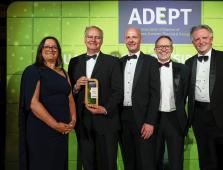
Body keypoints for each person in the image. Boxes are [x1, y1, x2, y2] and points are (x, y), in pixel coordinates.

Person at [185, 24, 223, 170]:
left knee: (221, 160)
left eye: (204, 38)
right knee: (205, 159)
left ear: (211, 39)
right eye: (197, 39)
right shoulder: (189, 62)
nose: (201, 42)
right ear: (193, 42)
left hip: (221, 117)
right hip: (199, 117)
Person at [68, 26, 123, 170]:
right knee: (88, 163)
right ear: (84, 39)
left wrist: (105, 109)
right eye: (90, 37)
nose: (93, 40)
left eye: (97, 37)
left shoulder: (113, 62)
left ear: (102, 40)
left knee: (108, 164)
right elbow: (69, 94)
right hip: (83, 122)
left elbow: (118, 91)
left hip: (107, 121)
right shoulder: (74, 62)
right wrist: (76, 87)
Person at [19, 36, 76, 170]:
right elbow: (33, 103)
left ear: (59, 51)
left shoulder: (64, 73)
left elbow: (70, 99)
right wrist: (56, 125)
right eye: (47, 46)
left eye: (54, 47)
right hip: (41, 130)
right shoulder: (33, 71)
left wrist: (73, 120)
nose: (51, 49)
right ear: (41, 51)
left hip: (62, 132)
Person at [119, 27, 160, 170]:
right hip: (122, 118)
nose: (131, 40)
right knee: (128, 160)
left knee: (146, 161)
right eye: (128, 37)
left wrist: (150, 121)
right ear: (125, 40)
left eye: (134, 37)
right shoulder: (120, 62)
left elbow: (156, 94)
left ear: (140, 39)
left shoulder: (151, 61)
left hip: (143, 119)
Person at [154, 35, 189, 170]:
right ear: (155, 49)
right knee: (154, 158)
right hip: (154, 119)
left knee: (176, 160)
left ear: (172, 49)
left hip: (175, 118)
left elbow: (187, 94)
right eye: (160, 46)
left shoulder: (183, 69)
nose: (163, 49)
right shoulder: (148, 68)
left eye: (167, 46)